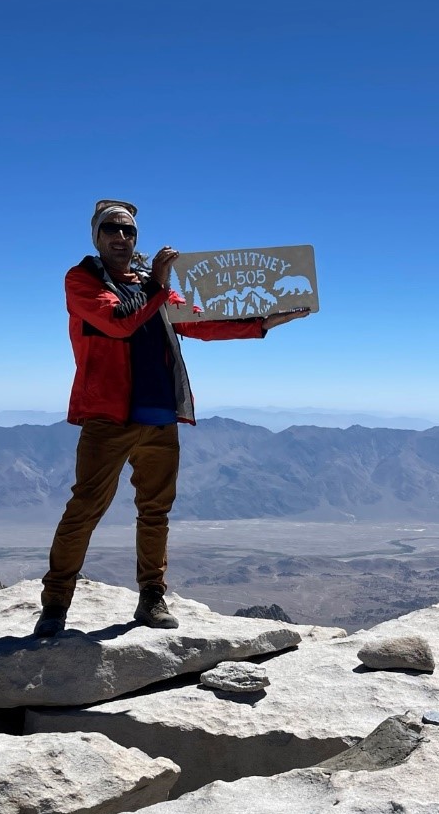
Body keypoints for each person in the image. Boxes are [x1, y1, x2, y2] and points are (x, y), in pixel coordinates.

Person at [35, 199, 305, 637]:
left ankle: (151, 597)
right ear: (96, 236)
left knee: (155, 512)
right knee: (84, 509)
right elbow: (118, 321)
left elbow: (197, 322)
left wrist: (262, 322)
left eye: (128, 231)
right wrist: (159, 283)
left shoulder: (150, 284)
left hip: (159, 414)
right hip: (108, 416)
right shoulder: (82, 280)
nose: (121, 238)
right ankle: (55, 605)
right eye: (111, 229)